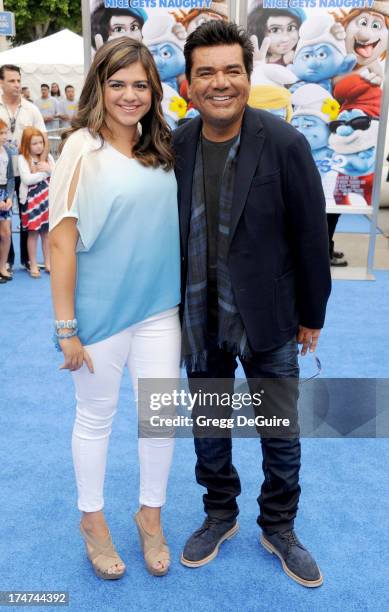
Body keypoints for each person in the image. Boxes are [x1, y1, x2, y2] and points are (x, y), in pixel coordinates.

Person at [173, 21, 331, 587]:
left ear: (248, 74)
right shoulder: (179, 145)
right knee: (209, 427)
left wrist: (312, 313)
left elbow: (313, 235)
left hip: (269, 313)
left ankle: (279, 526)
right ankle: (219, 515)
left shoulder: (284, 142)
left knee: (279, 428)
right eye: (207, 72)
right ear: (189, 83)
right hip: (200, 315)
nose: (221, 83)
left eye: (232, 71)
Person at [49, 37, 180, 579]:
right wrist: (66, 328)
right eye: (118, 83)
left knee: (160, 419)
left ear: (154, 90)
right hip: (99, 312)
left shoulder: (163, 147)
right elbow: (61, 239)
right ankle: (93, 522)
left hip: (159, 310)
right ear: (99, 87)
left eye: (141, 85)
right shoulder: (81, 146)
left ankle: (150, 516)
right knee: (96, 419)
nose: (130, 95)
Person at [0, 64, 47, 271]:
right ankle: (6, 261)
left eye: (18, 80)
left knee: (30, 218)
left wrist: (41, 164)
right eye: (11, 80)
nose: (17, 84)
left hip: (28, 173)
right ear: (1, 83)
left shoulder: (32, 109)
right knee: (4, 220)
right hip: (2, 176)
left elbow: (43, 136)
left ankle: (29, 260)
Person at [18, 127, 54, 277]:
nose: (39, 146)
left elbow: (57, 172)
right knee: (33, 234)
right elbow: (27, 179)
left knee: (46, 233)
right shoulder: (22, 159)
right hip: (31, 201)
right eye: (35, 143)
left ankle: (48, 262)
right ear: (27, 145)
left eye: (41, 142)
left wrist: (47, 170)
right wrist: (44, 172)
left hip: (47, 199)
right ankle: (33, 263)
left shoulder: (48, 157)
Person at [0, 119, 15, 283]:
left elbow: (11, 177)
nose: (4, 136)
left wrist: (9, 197)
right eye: (1, 133)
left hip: (5, 193)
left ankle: (2, 266)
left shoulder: (9, 152)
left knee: (6, 233)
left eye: (5, 133)